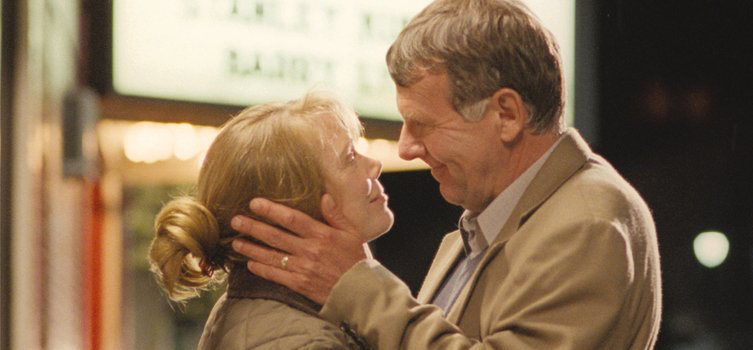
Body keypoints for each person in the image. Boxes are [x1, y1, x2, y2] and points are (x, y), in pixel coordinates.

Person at [230, 0, 663, 348]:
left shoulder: (586, 223)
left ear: (507, 115)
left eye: (424, 123)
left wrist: (357, 285)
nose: (405, 147)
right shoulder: (484, 226)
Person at [147, 92, 393, 349]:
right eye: (350, 157)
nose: (375, 164)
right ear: (296, 208)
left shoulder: (261, 311)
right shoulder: (306, 341)